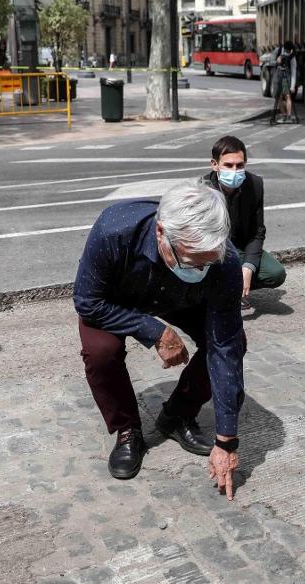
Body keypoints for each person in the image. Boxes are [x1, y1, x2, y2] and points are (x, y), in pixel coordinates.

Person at [73, 183, 245, 497]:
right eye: (192, 261)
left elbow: (226, 348)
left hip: (181, 298)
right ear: (161, 233)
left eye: (207, 263)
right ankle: (128, 430)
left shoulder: (223, 260)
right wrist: (154, 331)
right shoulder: (114, 229)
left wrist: (226, 441)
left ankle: (177, 416)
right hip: (117, 298)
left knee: (230, 342)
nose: (200, 269)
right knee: (101, 352)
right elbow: (87, 301)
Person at [201, 135, 286, 310]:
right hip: (214, 251)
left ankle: (238, 287)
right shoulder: (202, 189)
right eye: (228, 165)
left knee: (275, 273)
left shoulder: (254, 184)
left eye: (240, 165)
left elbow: (257, 231)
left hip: (240, 248)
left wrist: (248, 267)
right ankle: (219, 292)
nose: (234, 170)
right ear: (214, 164)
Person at [273, 42, 298, 123]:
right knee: (278, 96)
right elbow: (273, 61)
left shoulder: (292, 58)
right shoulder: (279, 51)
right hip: (278, 75)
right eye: (286, 50)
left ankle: (289, 116)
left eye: (288, 51)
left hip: (286, 76)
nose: (287, 52)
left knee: (287, 96)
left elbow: (293, 71)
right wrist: (277, 60)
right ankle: (284, 115)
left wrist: (292, 86)